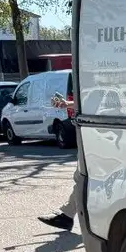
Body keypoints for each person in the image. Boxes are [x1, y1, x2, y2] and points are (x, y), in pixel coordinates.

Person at [39, 91, 79, 232]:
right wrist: (67, 104)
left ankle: (68, 216)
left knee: (83, 179)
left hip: (99, 140)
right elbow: (89, 102)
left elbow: (91, 102)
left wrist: (68, 104)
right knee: (82, 179)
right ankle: (67, 215)